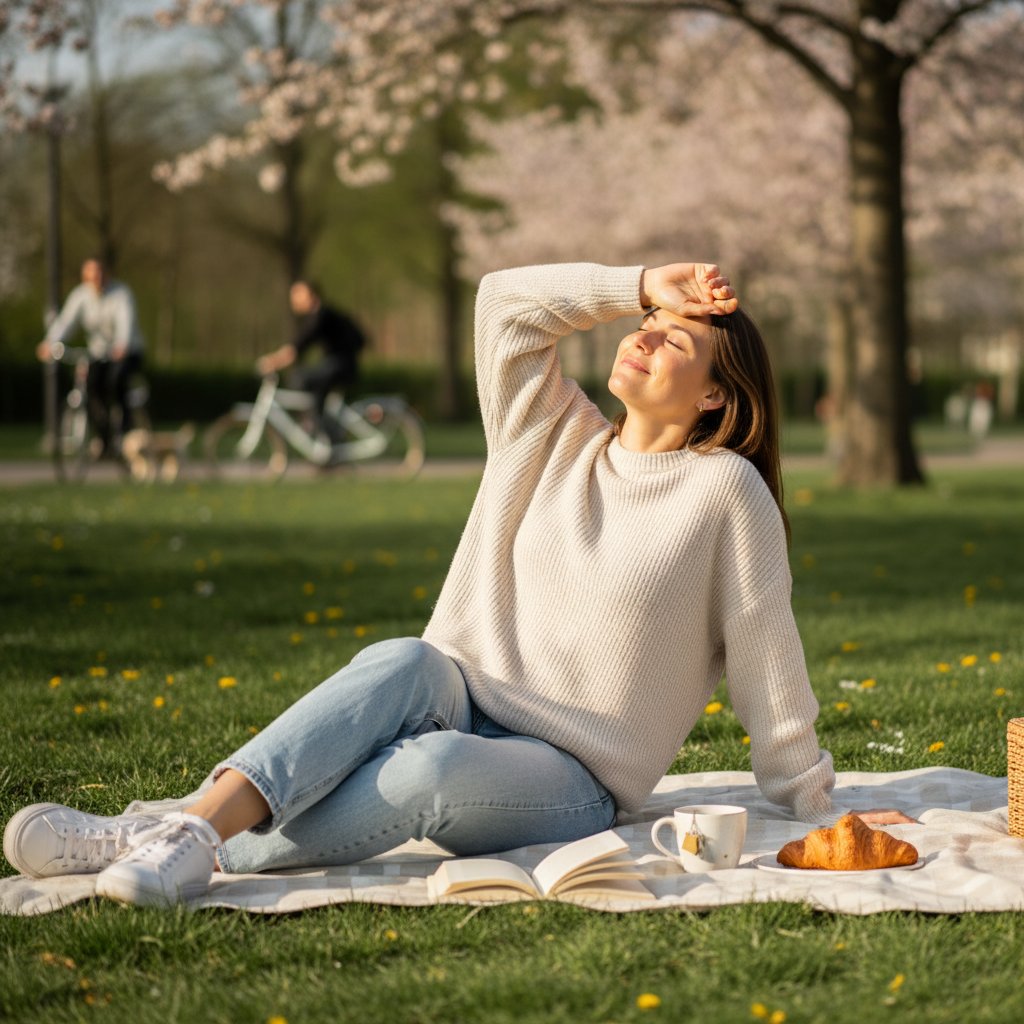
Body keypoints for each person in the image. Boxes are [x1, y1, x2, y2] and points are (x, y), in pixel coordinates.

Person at [4, 261, 913, 906]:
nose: (643, 337)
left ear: (715, 396)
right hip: (453, 692)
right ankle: (185, 836)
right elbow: (505, 303)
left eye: (674, 340)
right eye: (647, 325)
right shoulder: (549, 432)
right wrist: (640, 282)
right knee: (405, 657)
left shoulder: (725, 492)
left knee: (424, 768)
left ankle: (155, 833)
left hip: (572, 773)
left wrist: (816, 804)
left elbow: (765, 649)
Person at [36, 256, 145, 457]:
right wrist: (49, 342)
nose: (96, 280)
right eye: (91, 276)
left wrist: (122, 345)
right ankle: (103, 439)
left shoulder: (121, 294)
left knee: (116, 381)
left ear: (106, 275)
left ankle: (125, 430)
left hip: (128, 352)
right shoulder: (80, 297)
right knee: (91, 387)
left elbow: (125, 323)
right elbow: (65, 323)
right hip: (98, 353)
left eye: (100, 274)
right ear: (85, 278)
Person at [256, 280, 367, 442]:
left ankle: (320, 430)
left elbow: (296, 348)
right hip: (339, 365)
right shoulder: (320, 315)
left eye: (297, 294)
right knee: (310, 388)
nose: (293, 299)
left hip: (340, 366)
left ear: (310, 294)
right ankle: (323, 432)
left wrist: (270, 362)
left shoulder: (320, 316)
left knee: (300, 378)